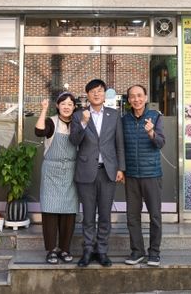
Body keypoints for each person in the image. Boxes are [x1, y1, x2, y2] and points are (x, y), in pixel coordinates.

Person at [69, 79, 125, 267]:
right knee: (88, 215)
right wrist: (84, 123)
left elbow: (119, 144)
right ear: (87, 95)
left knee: (105, 215)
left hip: (108, 171)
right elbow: (74, 141)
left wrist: (121, 168)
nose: (96, 94)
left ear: (104, 94)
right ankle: (87, 250)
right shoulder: (79, 115)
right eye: (92, 91)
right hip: (86, 171)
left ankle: (102, 251)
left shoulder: (114, 115)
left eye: (99, 90)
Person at [122, 84, 166, 267]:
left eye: (140, 95)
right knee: (132, 216)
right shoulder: (124, 120)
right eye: (132, 96)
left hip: (151, 174)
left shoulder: (155, 117)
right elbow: (120, 146)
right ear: (128, 100)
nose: (136, 99)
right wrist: (121, 169)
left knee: (155, 215)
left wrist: (151, 132)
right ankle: (137, 251)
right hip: (131, 175)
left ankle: (154, 252)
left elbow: (161, 143)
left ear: (146, 98)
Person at [35, 92, 79, 265]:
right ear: (58, 106)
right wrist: (43, 110)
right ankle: (51, 250)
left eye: (70, 104)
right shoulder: (51, 122)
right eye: (63, 104)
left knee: (69, 212)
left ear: (74, 107)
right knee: (50, 211)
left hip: (71, 170)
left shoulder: (77, 123)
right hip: (51, 171)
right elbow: (39, 131)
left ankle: (65, 249)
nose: (66, 107)